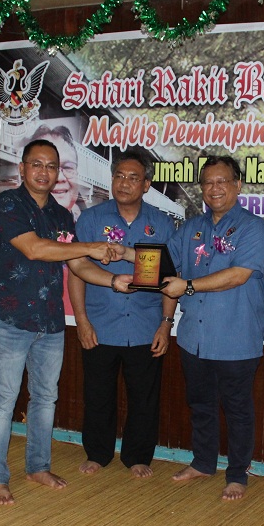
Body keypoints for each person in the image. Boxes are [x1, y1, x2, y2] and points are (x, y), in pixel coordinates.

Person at [0, 138, 124, 505]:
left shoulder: (63, 216)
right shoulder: (7, 204)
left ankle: (38, 466)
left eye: (51, 166)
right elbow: (35, 248)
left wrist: (114, 280)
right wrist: (91, 247)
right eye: (37, 164)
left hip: (50, 323)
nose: (44, 172)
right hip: (12, 320)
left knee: (46, 398)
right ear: (22, 168)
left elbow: (77, 265)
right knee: (3, 401)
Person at [154, 155, 264, 501]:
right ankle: (203, 463)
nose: (214, 188)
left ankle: (237, 474)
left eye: (222, 181)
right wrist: (123, 253)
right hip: (195, 337)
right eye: (208, 182)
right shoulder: (192, 228)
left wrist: (188, 286)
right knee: (201, 404)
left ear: (238, 185)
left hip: (236, 336)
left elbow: (238, 275)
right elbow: (163, 262)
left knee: (237, 409)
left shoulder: (253, 227)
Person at [69, 151, 177, 478]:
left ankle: (138, 456)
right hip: (100, 324)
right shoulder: (90, 219)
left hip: (145, 326)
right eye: (119, 176)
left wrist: (165, 324)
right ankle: (97, 453)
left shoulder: (161, 223)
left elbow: (169, 278)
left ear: (146, 185)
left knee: (144, 398)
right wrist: (81, 321)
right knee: (97, 395)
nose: (124, 183)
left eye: (133, 178)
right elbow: (77, 271)